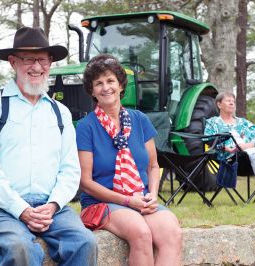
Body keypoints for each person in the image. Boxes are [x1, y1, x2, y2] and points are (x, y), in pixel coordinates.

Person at [0, 26, 96, 265]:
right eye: (29, 59)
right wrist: (21, 209)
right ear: (13, 62)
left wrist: (53, 204)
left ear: (50, 62)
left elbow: (70, 169)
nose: (37, 67)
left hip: (52, 207)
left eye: (42, 59)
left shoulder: (60, 112)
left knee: (84, 242)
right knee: (20, 248)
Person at [77, 54, 182, 266]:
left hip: (140, 199)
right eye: (98, 83)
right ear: (92, 90)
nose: (105, 88)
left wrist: (152, 194)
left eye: (110, 81)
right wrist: (126, 201)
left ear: (121, 85)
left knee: (172, 232)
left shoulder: (139, 120)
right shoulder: (86, 126)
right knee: (141, 233)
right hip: (101, 203)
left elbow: (153, 166)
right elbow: (85, 182)